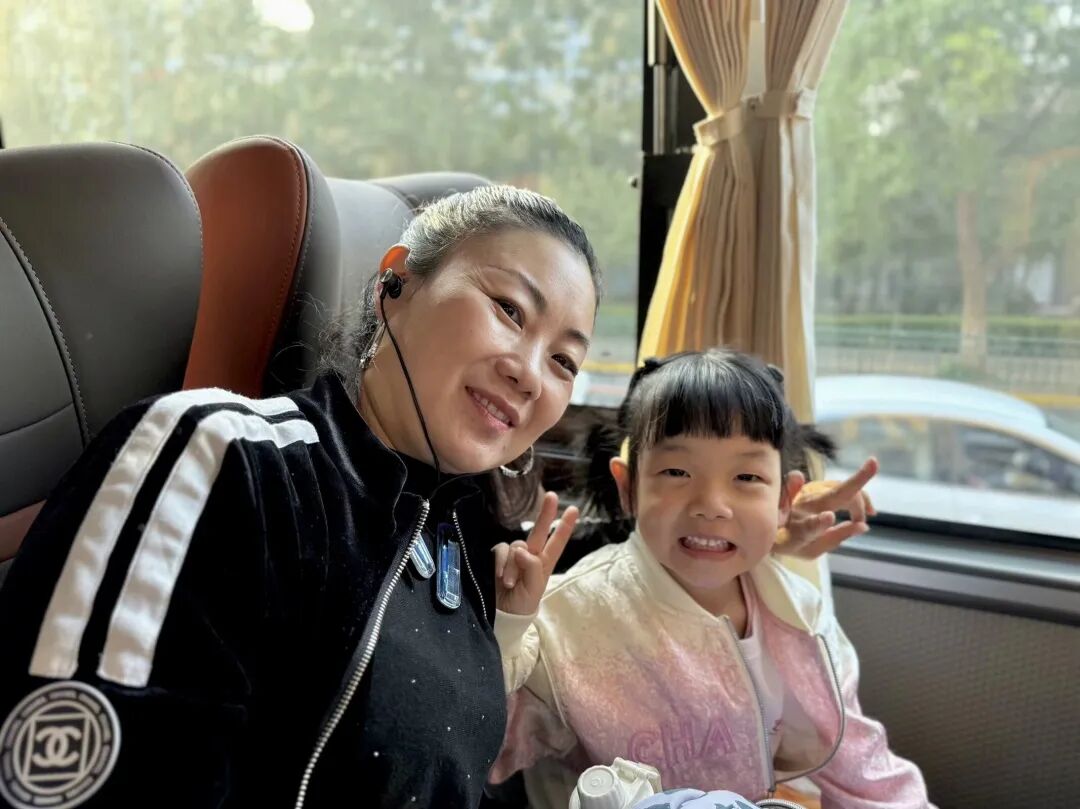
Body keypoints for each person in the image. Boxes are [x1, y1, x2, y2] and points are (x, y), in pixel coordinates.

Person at [0, 186, 602, 809]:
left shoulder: (458, 533)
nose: (531, 374)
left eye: (564, 361)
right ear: (397, 284)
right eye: (509, 310)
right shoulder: (224, 458)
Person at [490, 349, 934, 809]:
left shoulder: (801, 615)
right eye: (676, 472)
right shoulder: (567, 622)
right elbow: (477, 748)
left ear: (785, 500)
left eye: (746, 476)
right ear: (629, 487)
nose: (711, 505)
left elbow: (864, 770)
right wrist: (507, 631)